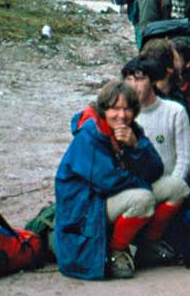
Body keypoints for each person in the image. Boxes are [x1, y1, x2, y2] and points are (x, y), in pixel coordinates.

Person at [54, 80, 171, 280]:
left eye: (127, 109)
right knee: (143, 199)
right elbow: (109, 181)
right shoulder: (90, 135)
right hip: (87, 207)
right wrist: (143, 183)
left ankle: (149, 245)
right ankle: (117, 251)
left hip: (110, 195)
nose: (121, 115)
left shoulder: (130, 129)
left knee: (176, 188)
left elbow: (157, 170)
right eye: (115, 109)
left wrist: (136, 145)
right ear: (103, 110)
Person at [121, 57, 190, 192]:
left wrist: (172, 188)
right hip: (138, 189)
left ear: (153, 81)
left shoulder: (175, 111)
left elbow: (185, 160)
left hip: (171, 188)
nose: (133, 86)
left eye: (139, 79)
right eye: (129, 80)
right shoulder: (122, 115)